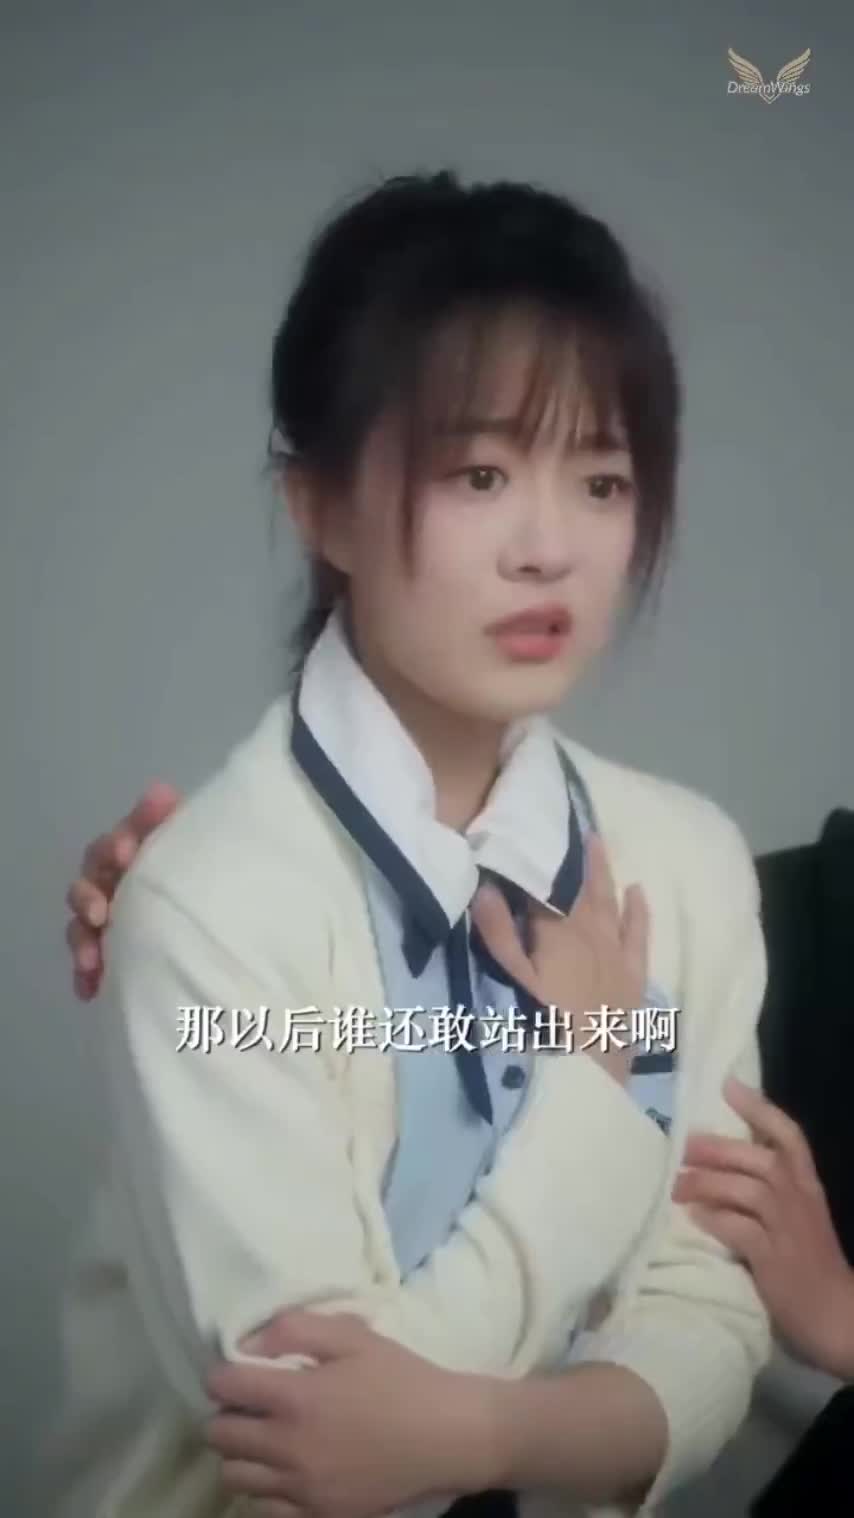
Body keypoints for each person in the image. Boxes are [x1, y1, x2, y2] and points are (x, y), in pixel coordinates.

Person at [52, 170, 771, 1518]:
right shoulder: (205, 904)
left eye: (602, 479)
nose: (549, 549)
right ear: (319, 505)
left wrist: (477, 1437)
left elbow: (713, 1320)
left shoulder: (686, 867)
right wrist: (601, 1098)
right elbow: (307, 1435)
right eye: (480, 475)